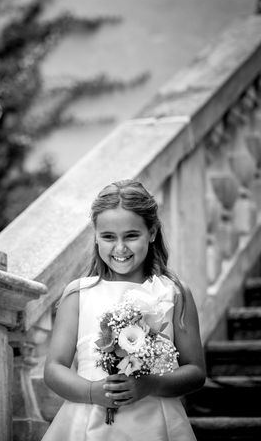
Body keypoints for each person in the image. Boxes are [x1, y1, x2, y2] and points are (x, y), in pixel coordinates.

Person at [42, 179, 206, 440]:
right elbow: (54, 368)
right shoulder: (79, 293)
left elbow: (195, 371)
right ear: (96, 236)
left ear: (151, 232)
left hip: (155, 423)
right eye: (108, 237)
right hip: (87, 423)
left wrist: (152, 384)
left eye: (131, 235)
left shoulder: (173, 292)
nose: (119, 248)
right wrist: (92, 391)